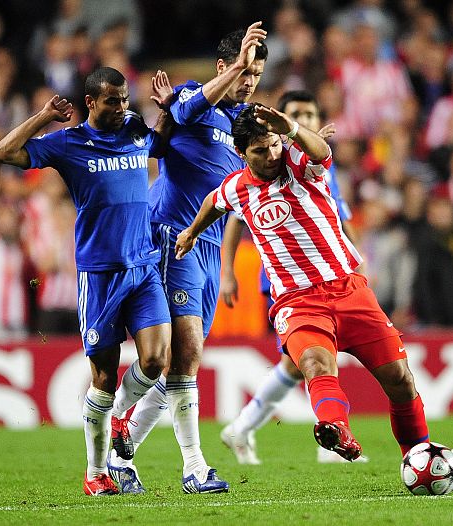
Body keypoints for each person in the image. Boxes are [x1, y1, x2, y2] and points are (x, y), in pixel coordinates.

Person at [175, 104, 429, 462]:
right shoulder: (237, 188)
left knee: (400, 380)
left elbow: (322, 152)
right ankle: (336, 427)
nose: (271, 155)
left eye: (274, 145)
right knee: (313, 363)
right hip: (297, 302)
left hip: (347, 287)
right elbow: (213, 203)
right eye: (260, 151)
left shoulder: (297, 163)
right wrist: (191, 231)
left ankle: (418, 454)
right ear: (241, 153)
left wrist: (291, 130)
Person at [0, 66, 174, 496]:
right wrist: (42, 117)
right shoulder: (68, 143)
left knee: (155, 359)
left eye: (125, 99)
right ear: (90, 103)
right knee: (104, 379)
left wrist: (164, 113)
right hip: (100, 273)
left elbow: (160, 145)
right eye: (113, 101)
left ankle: (121, 419)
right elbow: (3, 152)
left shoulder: (133, 128)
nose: (122, 108)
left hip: (143, 266)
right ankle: (96, 472)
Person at [106, 23, 268, 494]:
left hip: (210, 246)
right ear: (224, 66)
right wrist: (237, 63)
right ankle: (194, 468)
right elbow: (183, 108)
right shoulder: (194, 98)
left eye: (256, 73)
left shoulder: (245, 125)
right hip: (173, 236)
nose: (249, 80)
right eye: (242, 70)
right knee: (188, 351)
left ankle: (121, 449)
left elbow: (239, 196)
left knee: (181, 365)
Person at [218, 89, 364, 465]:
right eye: (297, 113)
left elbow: (340, 222)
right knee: (317, 356)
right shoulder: (266, 168)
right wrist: (227, 272)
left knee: (302, 364)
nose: (307, 118)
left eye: (311, 113)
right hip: (287, 280)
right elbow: (234, 216)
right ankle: (328, 439)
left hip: (331, 275)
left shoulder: (313, 165)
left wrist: (356, 263)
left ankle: (245, 426)